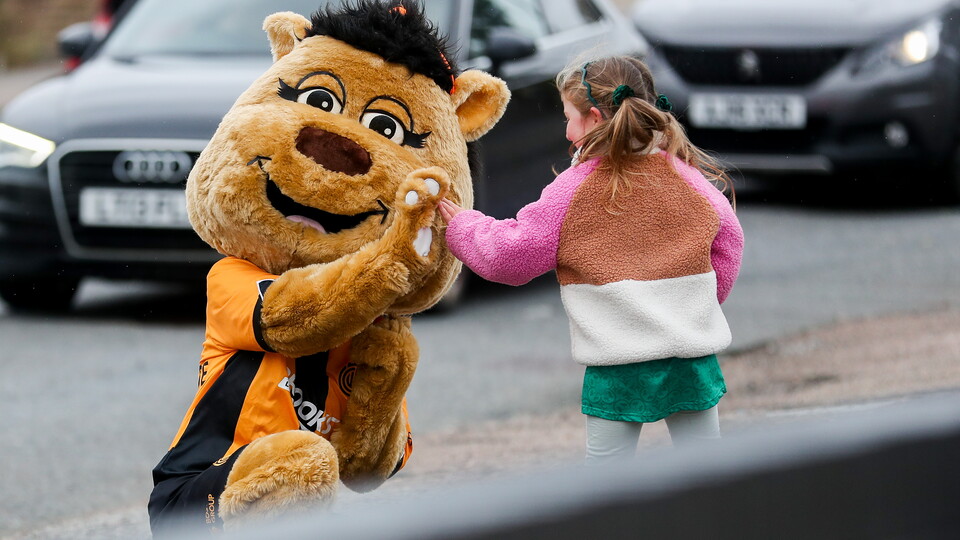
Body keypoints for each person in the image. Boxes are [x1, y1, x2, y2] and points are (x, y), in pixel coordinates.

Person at [438, 55, 744, 463]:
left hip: (616, 364)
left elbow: (510, 257)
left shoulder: (574, 190)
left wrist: (462, 225)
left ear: (595, 117)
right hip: (690, 357)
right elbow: (729, 243)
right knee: (707, 470)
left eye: (569, 117)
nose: (566, 129)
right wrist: (690, 308)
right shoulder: (688, 179)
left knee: (606, 482)